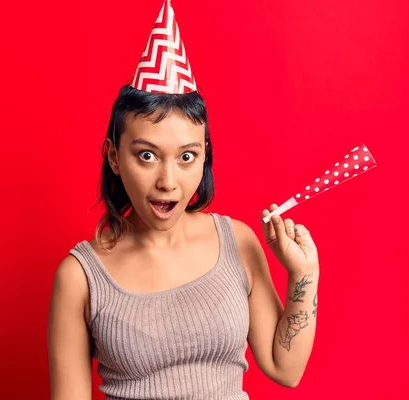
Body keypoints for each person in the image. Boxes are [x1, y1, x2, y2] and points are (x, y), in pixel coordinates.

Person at [47, 1, 319, 399]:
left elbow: (285, 368)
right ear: (113, 156)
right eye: (146, 155)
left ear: (204, 155)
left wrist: (303, 275)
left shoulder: (237, 241)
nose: (168, 182)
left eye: (186, 156)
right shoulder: (81, 277)